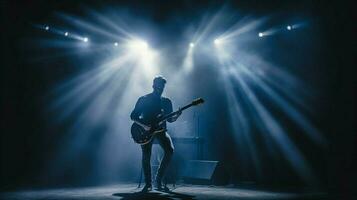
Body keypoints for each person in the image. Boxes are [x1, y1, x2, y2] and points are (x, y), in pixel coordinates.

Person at [130, 76, 181, 192]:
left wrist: (176, 116)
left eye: (162, 87)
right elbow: (133, 116)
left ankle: (158, 180)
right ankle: (148, 184)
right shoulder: (144, 99)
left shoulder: (166, 102)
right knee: (146, 154)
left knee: (170, 150)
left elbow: (170, 120)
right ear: (153, 86)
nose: (160, 89)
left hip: (161, 131)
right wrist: (144, 125)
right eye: (158, 87)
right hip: (145, 131)